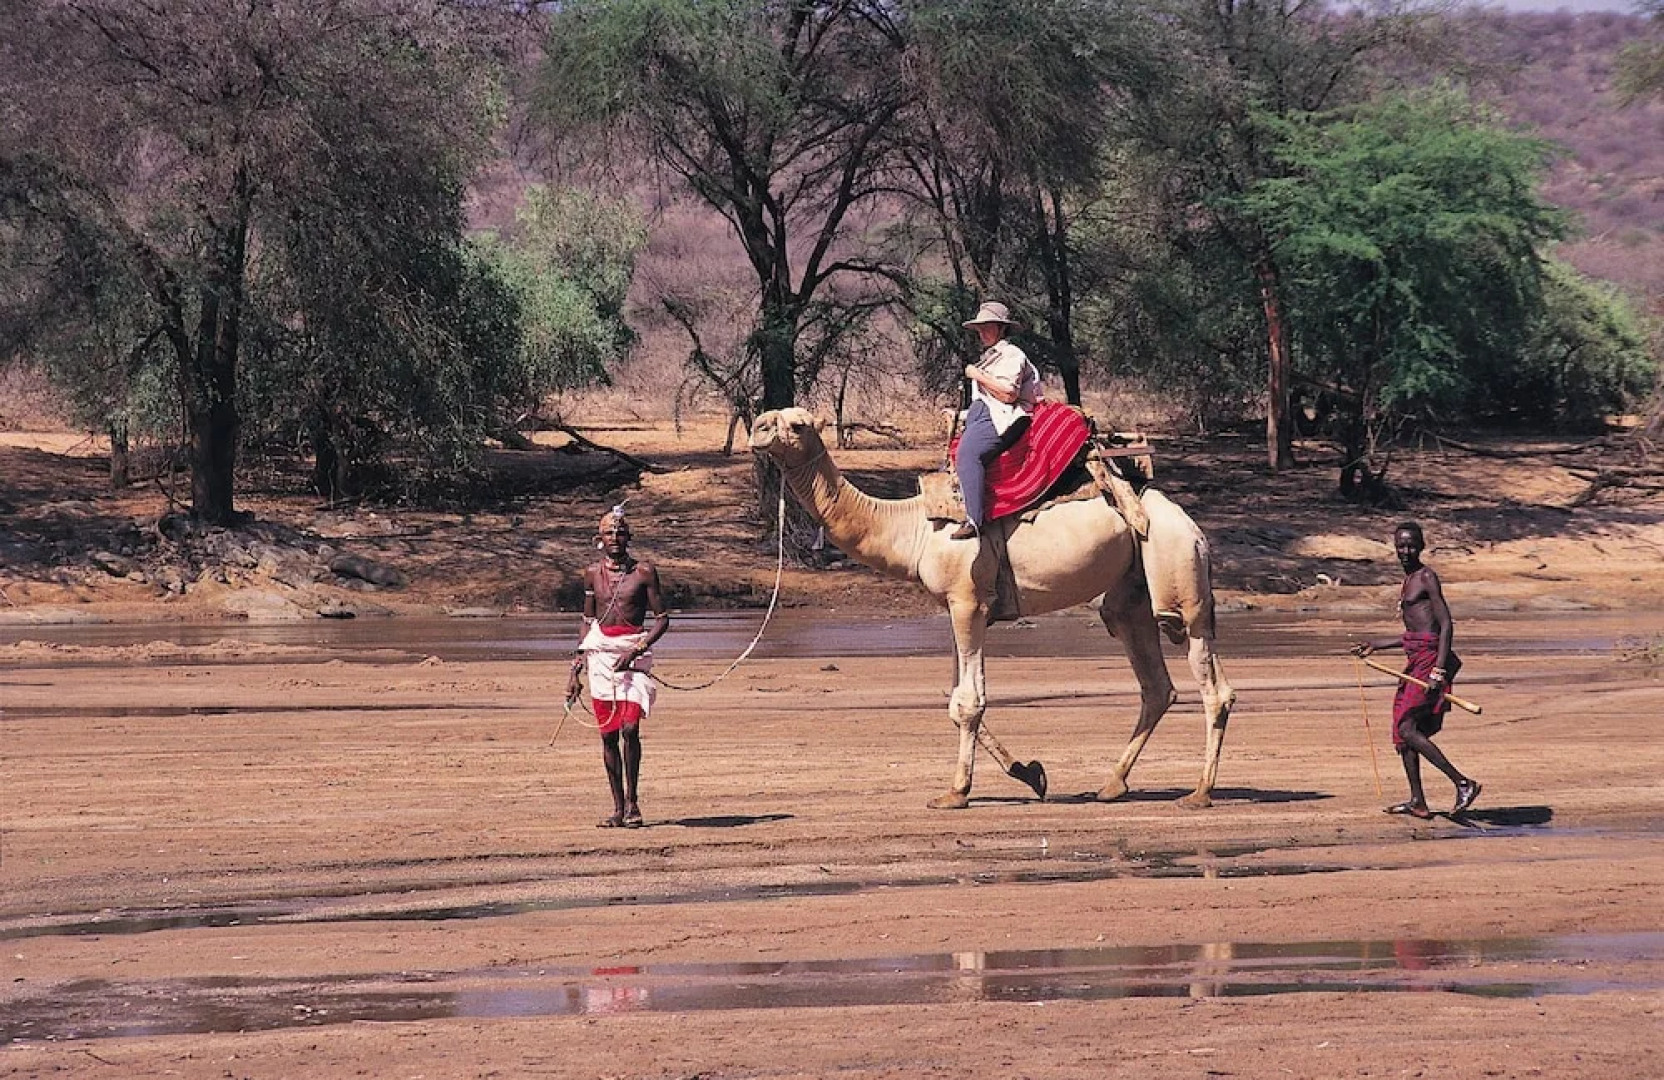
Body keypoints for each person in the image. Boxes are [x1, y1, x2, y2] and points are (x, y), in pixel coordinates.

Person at [1350, 521, 1481, 819]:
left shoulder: (1426, 576)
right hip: (1417, 658)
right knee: (1404, 730)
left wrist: (1438, 671)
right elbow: (1415, 632)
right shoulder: (1408, 579)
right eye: (1400, 546)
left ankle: (1463, 783)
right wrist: (1377, 644)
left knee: (1408, 728)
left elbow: (1445, 625)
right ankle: (1418, 801)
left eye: (1411, 545)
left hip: (1430, 661)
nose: (1405, 551)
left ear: (1421, 547)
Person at [566, 505, 670, 828]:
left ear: (629, 536)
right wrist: (575, 668)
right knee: (608, 735)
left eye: (620, 531)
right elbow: (587, 621)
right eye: (609, 532)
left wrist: (638, 648)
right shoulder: (592, 574)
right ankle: (617, 808)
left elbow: (662, 621)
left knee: (629, 729)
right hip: (599, 658)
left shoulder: (644, 573)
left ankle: (633, 803)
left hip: (633, 656)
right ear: (599, 538)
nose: (615, 537)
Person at [950, 301, 1044, 541]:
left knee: (968, 455)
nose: (981, 332)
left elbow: (1008, 394)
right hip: (987, 414)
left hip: (1006, 417)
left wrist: (977, 374)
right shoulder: (993, 356)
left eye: (987, 327)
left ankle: (974, 520)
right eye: (979, 328)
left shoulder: (1012, 355)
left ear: (1002, 328)